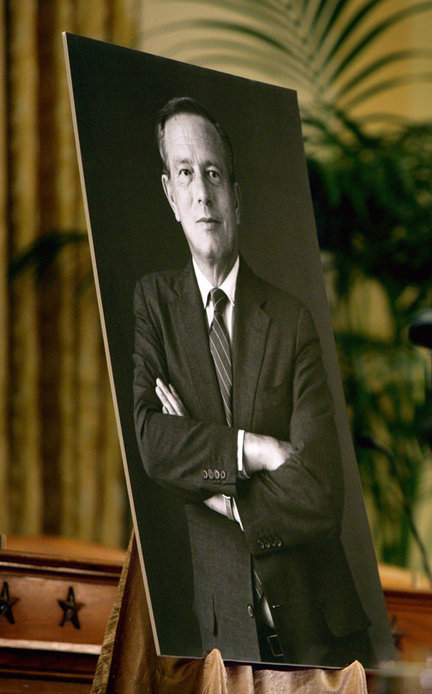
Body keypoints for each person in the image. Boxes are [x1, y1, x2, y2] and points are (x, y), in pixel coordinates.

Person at [133, 97, 371, 666]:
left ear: (236, 196)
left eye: (213, 173)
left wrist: (215, 485)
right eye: (186, 173)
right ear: (169, 193)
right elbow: (150, 442)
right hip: (225, 637)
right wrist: (255, 449)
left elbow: (320, 494)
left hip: (320, 630)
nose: (202, 192)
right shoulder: (154, 305)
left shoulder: (290, 320)